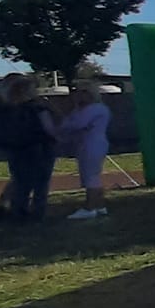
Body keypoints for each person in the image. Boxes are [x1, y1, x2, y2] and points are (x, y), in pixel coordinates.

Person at [0, 74, 57, 222]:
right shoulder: (36, 107)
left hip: (15, 149)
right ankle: (37, 213)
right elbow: (49, 129)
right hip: (38, 147)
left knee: (21, 182)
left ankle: (18, 212)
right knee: (40, 182)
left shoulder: (2, 107)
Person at [56, 80, 113, 219]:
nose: (78, 95)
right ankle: (99, 205)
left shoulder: (95, 108)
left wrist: (65, 124)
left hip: (93, 144)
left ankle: (90, 207)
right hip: (86, 144)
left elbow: (77, 124)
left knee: (91, 176)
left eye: (83, 92)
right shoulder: (82, 109)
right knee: (91, 175)